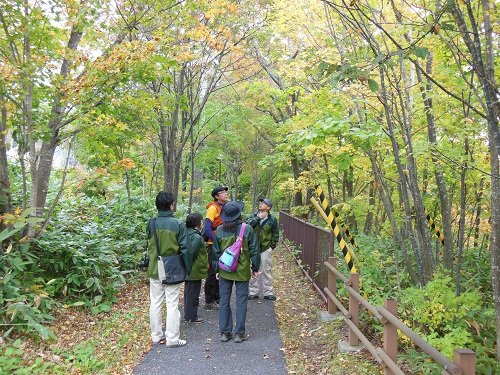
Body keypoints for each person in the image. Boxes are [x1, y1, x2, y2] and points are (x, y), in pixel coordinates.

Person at [147, 191, 192, 347]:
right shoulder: (178, 224)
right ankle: (172, 339)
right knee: (172, 303)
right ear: (171, 205)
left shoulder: (151, 223)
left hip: (154, 268)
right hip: (172, 268)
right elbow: (186, 248)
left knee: (155, 302)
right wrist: (188, 268)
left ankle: (156, 336)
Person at [213, 201, 260, 343]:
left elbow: (215, 252)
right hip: (242, 271)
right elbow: (254, 250)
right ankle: (239, 333)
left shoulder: (220, 230)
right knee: (241, 301)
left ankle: (225, 332)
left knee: (224, 301)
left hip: (225, 270)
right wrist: (255, 268)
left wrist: (217, 269)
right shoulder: (247, 229)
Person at [247, 198, 279, 301]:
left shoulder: (272, 219)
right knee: (253, 269)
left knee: (266, 270)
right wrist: (258, 218)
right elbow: (247, 226)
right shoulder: (253, 216)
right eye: (260, 203)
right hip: (253, 248)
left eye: (263, 203)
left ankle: (268, 292)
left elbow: (275, 234)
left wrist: (271, 246)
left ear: (268, 207)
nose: (260, 204)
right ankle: (253, 292)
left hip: (265, 248)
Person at [203, 186, 229, 307]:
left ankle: (218, 297)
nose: (225, 194)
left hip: (225, 244)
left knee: (222, 271)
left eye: (225, 192)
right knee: (213, 271)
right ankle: (209, 299)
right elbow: (207, 229)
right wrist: (216, 241)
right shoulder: (213, 208)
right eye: (222, 192)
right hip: (214, 244)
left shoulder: (227, 206)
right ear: (216, 196)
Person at [183, 213, 208, 323]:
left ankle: (188, 314)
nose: (202, 223)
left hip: (189, 269)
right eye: (201, 221)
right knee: (193, 294)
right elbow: (191, 253)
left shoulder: (186, 233)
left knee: (188, 292)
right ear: (197, 223)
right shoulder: (196, 237)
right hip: (194, 269)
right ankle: (191, 316)